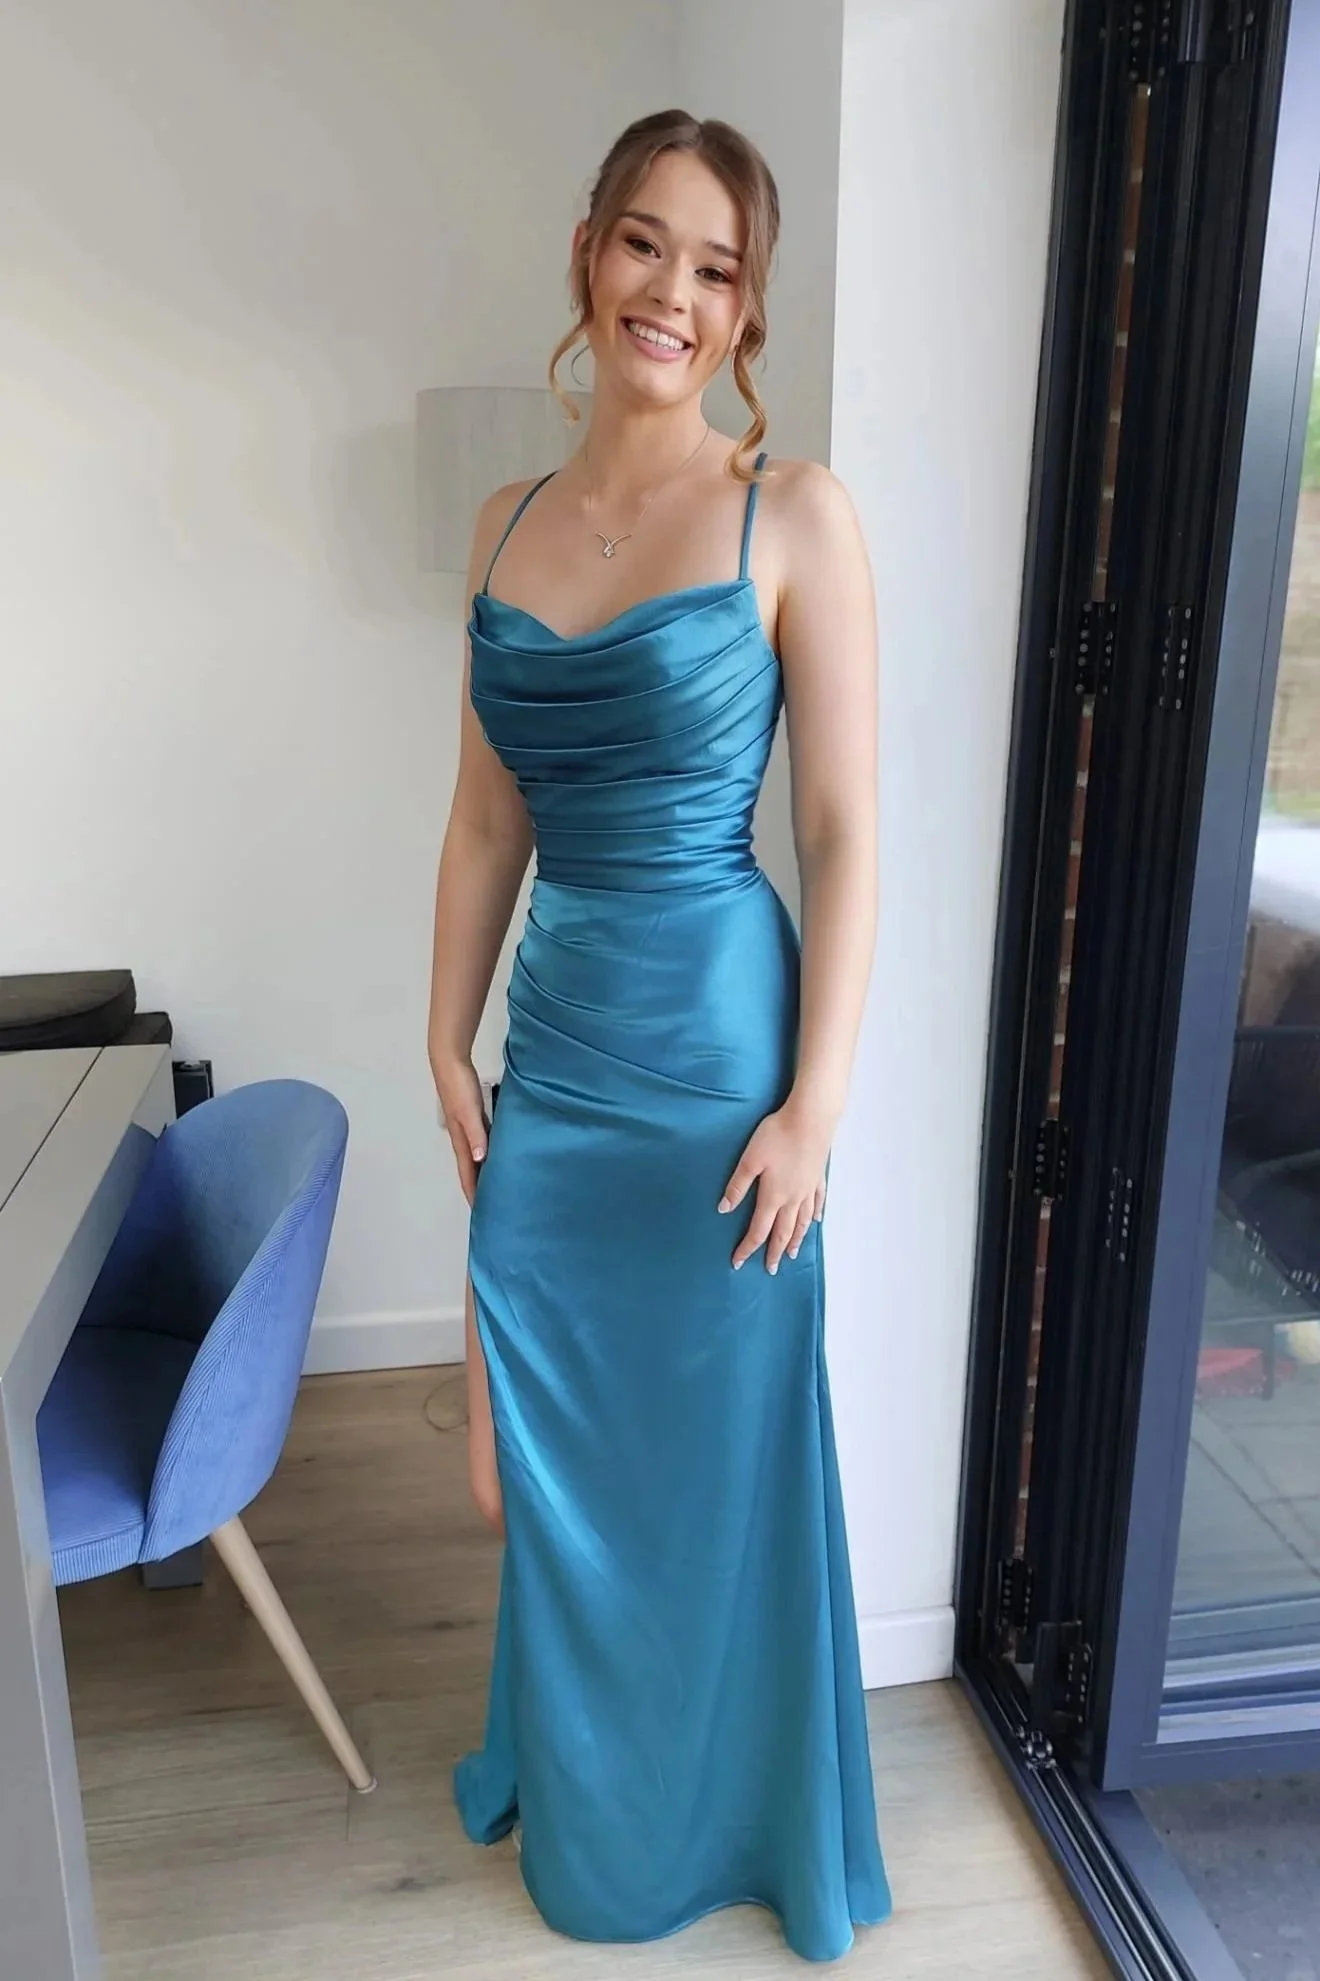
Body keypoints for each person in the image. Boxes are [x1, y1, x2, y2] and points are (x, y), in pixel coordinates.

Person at [427, 107, 892, 1964]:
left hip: (723, 1071)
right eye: (646, 247)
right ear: (588, 258)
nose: (672, 294)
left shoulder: (797, 514)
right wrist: (443, 1036)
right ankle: (601, 1808)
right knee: (522, 1464)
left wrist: (821, 1104)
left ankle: (735, 1819)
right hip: (558, 1058)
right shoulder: (505, 524)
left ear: (749, 312)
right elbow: (482, 824)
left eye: (715, 268)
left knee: (723, 1458)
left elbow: (846, 829)